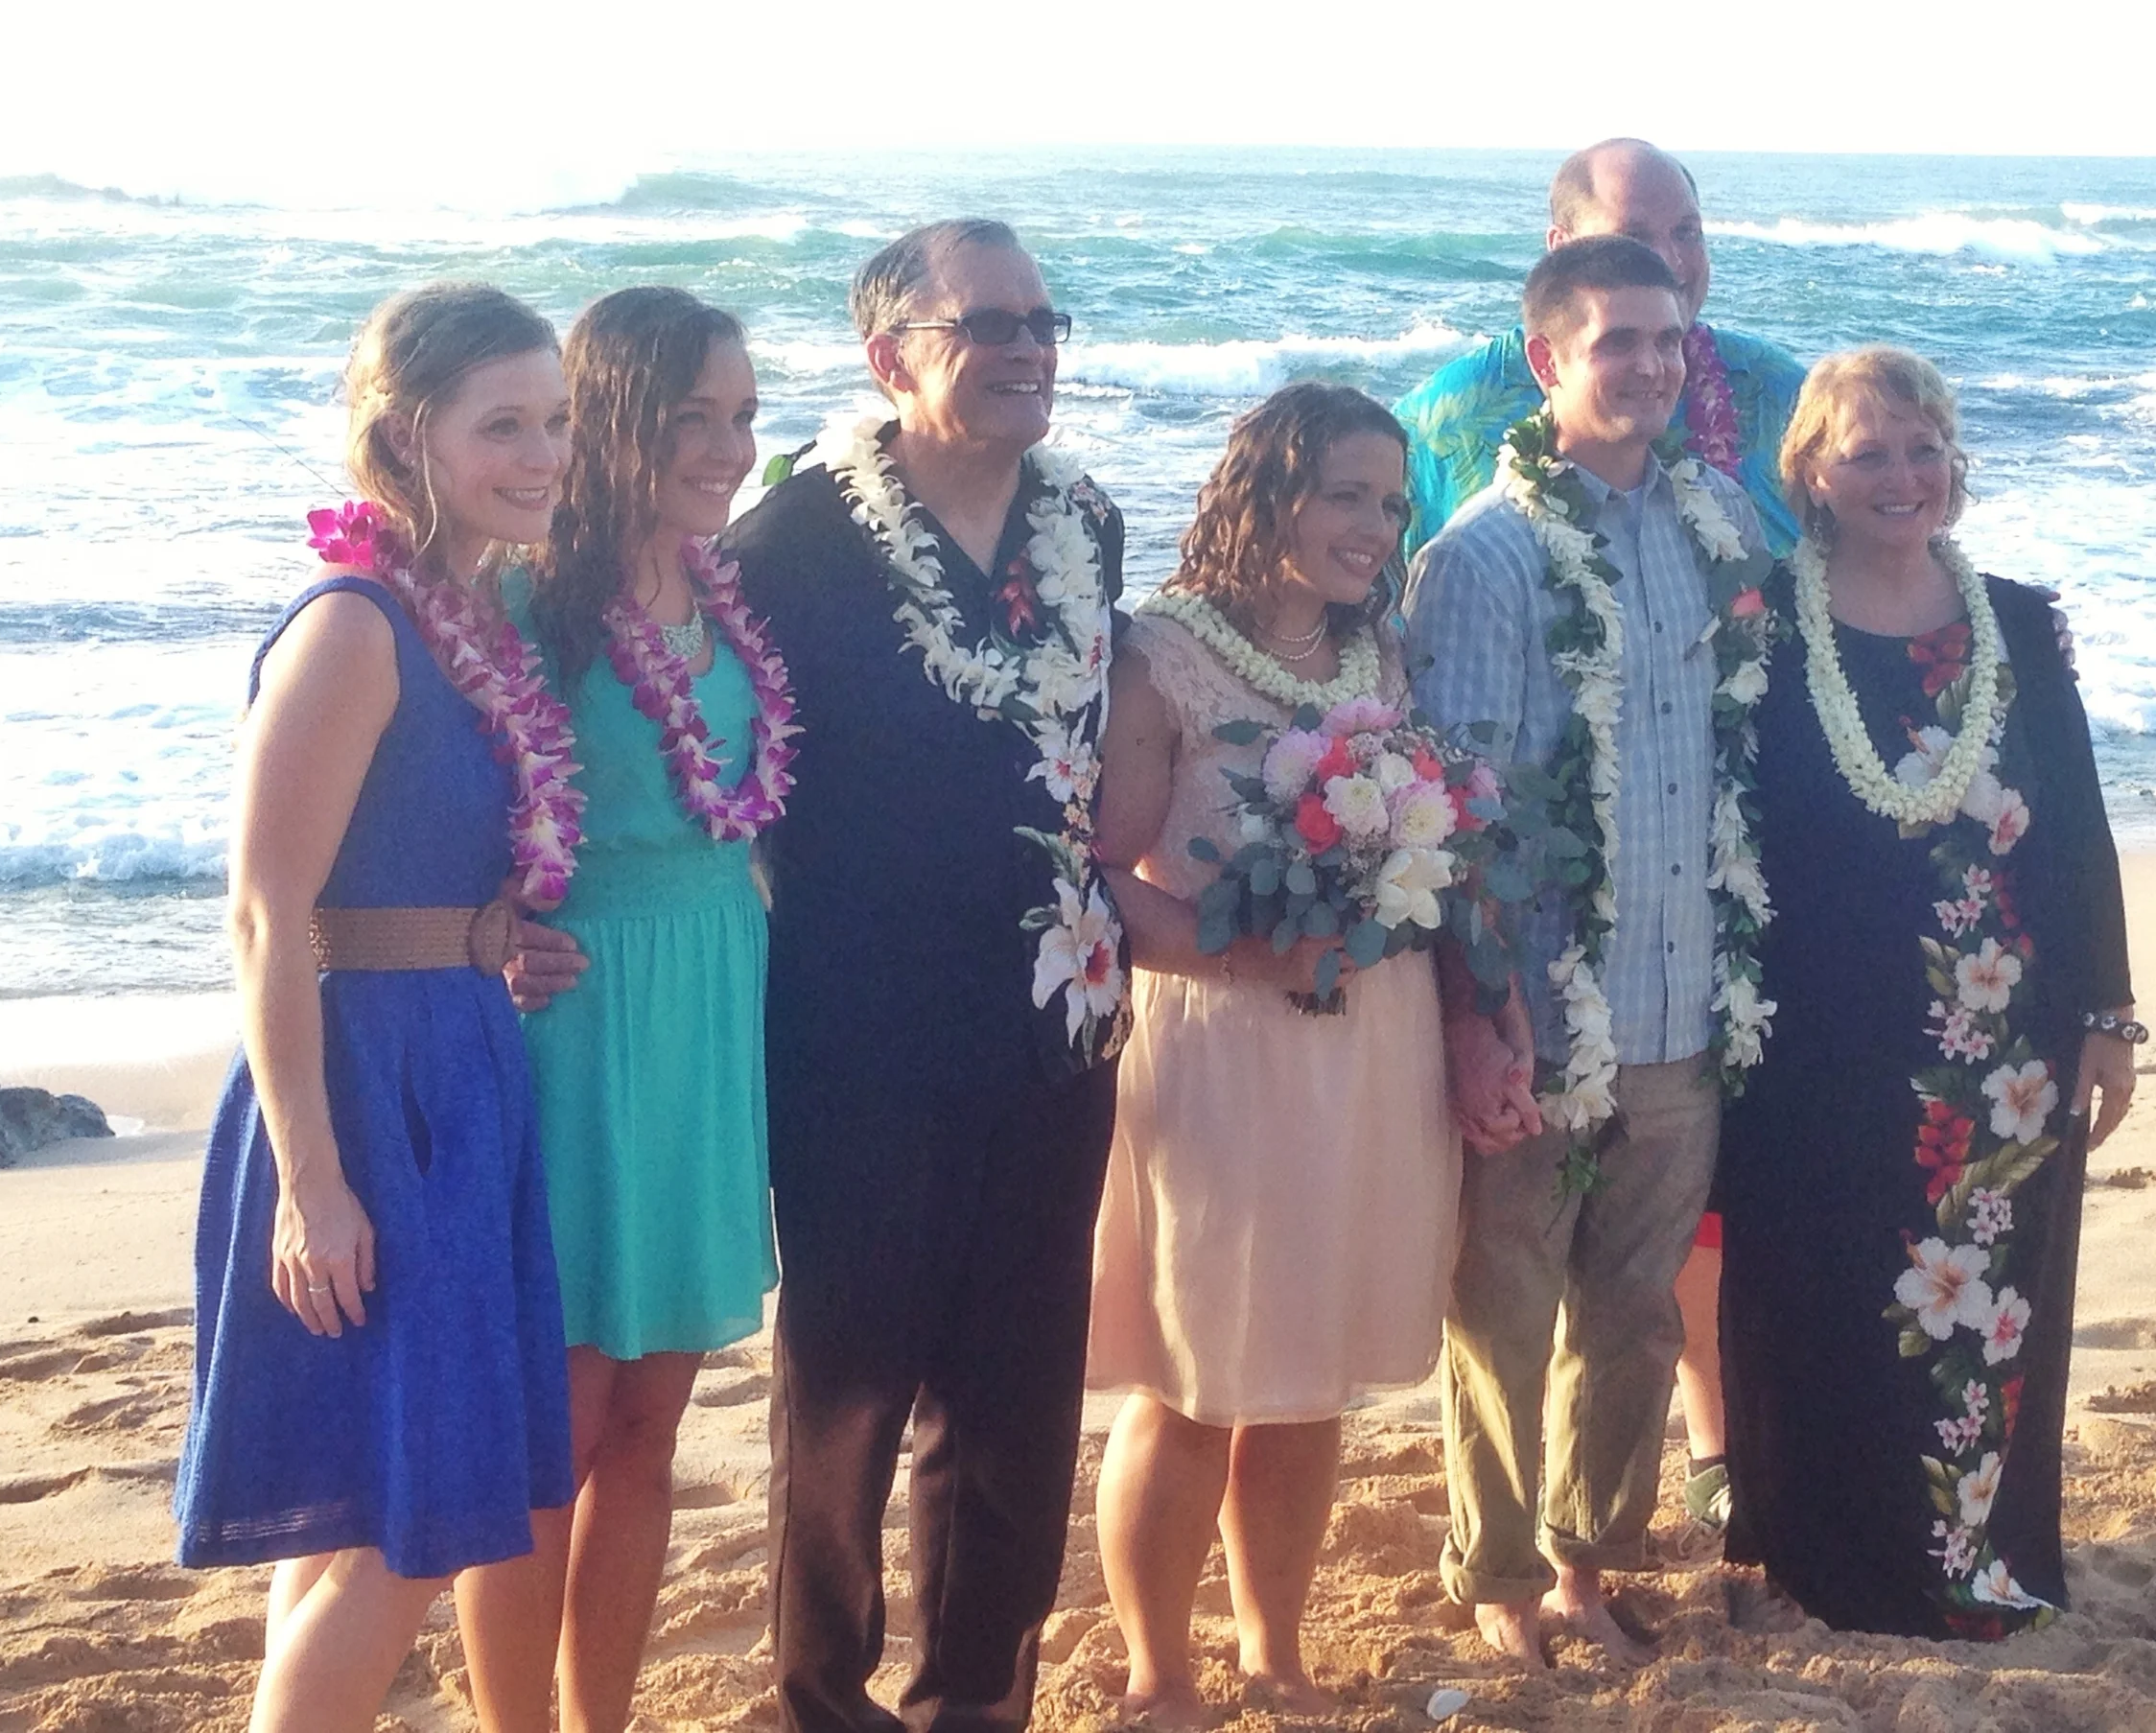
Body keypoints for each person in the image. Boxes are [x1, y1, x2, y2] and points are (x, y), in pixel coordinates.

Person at [728, 219, 1128, 1733]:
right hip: (859, 1024)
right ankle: (817, 1694)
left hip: (1056, 1019)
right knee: (847, 1390)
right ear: (889, 355)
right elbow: (731, 789)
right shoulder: (791, 544)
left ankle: (980, 1693)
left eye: (1044, 319)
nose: (1030, 346)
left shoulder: (1085, 519)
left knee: (1022, 1387)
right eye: (990, 324)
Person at [173, 282, 579, 1733]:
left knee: (360, 1515)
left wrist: (495, 938)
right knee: (408, 1532)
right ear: (407, 439)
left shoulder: (467, 615)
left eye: (557, 419)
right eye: (504, 425)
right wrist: (311, 1183)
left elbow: (406, 858)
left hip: (458, 1068)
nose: (544, 453)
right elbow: (267, 914)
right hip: (359, 1095)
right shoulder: (354, 626)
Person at [1398, 139, 1800, 1529]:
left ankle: (1592, 1555)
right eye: (1617, 341)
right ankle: (1504, 1576)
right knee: (1503, 1311)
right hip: (1540, 1014)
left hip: (1685, 1002)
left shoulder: (1721, 526)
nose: (1650, 365)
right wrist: (1480, 1012)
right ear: (1544, 355)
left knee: (1637, 1318)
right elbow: (1457, 813)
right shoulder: (1484, 555)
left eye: (1670, 340)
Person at [1718, 346, 2137, 1638]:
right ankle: (1821, 1551)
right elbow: (1724, 824)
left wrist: (2108, 1013)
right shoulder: (1761, 623)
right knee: (1824, 1284)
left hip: (2005, 1031)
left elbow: (2074, 820)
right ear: (1812, 476)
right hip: (1816, 1030)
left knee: (1992, 1290)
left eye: (1924, 449)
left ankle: (1981, 1552)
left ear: (1955, 464)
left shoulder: (2015, 617)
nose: (1903, 476)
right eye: (1870, 453)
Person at [1088, 383, 1476, 1723]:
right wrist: (1243, 952)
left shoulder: (1381, 651)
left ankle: (1275, 1652)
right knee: (1200, 1372)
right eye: (1344, 495)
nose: (1374, 525)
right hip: (1224, 1044)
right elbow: (1094, 874)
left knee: (1306, 1376)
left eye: (1390, 500)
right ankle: (1158, 1668)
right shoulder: (1160, 652)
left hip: (1372, 1039)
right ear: (1266, 491)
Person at [459, 288, 795, 1729]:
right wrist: (484, 930)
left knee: (656, 1424)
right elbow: (413, 802)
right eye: (693, 416)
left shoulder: (731, 598)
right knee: (564, 1428)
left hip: (715, 1008)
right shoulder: (529, 602)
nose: (727, 447)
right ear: (614, 420)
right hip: (580, 1018)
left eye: (743, 416)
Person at [1397, 136, 1805, 560]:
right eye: (1634, 237)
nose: (1671, 262)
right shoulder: (1442, 423)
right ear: (1561, 247)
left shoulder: (1779, 395)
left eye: (1687, 233)